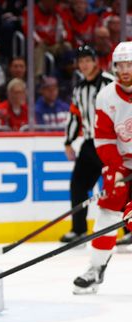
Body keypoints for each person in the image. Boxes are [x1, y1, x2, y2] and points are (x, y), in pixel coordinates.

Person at [72, 42, 132, 294]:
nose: (125, 70)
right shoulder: (106, 96)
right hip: (122, 162)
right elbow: (105, 139)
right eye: (121, 65)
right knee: (108, 211)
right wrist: (115, 168)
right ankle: (96, 269)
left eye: (130, 64)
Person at [61, 45, 115, 243]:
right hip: (91, 144)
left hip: (112, 143)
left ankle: (128, 229)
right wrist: (68, 142)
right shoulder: (79, 89)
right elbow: (75, 117)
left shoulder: (111, 83)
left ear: (95, 62)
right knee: (78, 185)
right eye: (80, 61)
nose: (84, 65)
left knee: (118, 185)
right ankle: (79, 229)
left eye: (87, 60)